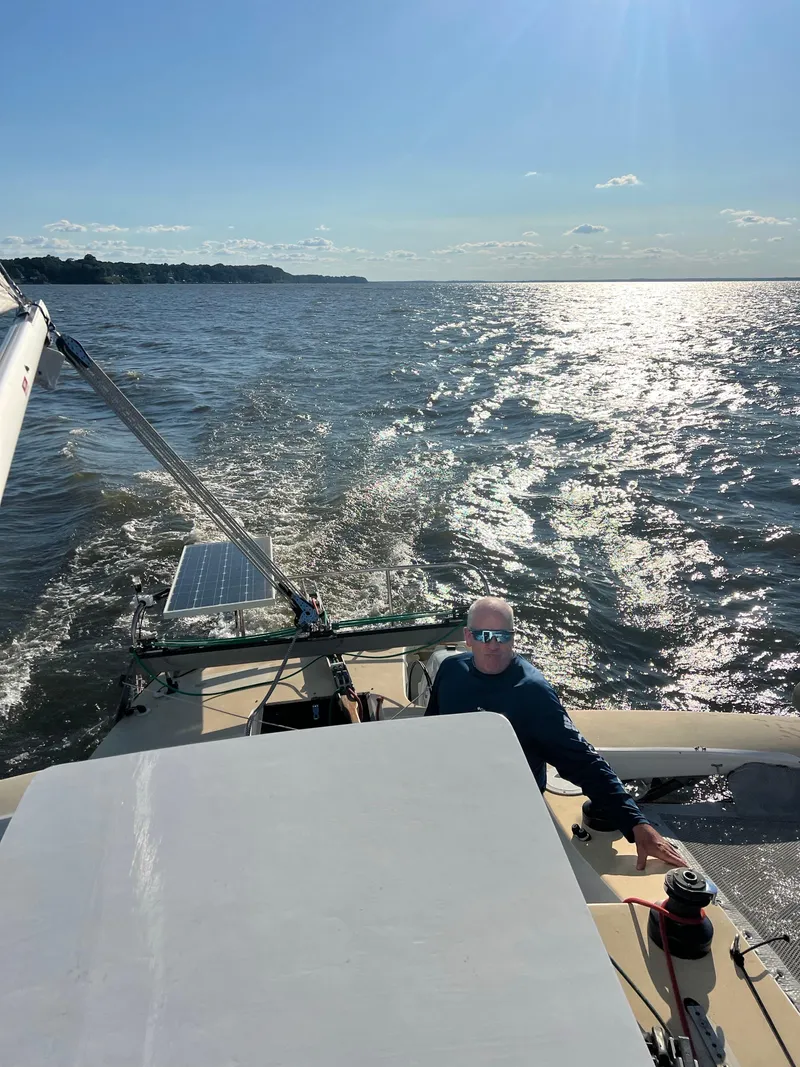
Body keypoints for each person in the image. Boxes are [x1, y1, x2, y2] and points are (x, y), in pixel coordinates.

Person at [425, 596, 686, 871]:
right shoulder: (451, 670)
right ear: (468, 637)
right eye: (484, 635)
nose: (493, 645)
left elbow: (582, 760)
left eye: (502, 636)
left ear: (513, 637)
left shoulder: (532, 692)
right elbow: (430, 731)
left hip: (511, 805)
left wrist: (636, 823)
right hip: (456, 790)